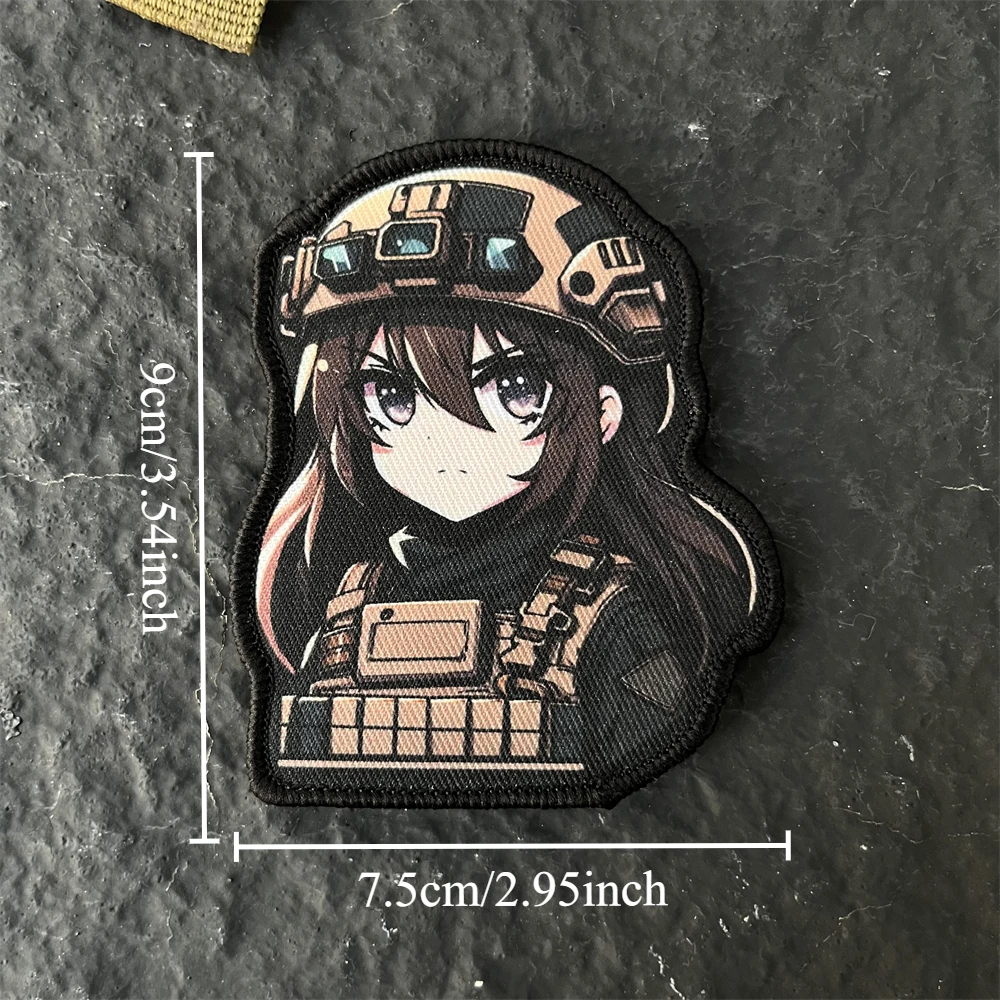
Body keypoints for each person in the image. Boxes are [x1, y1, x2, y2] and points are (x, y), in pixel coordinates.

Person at [253, 165, 762, 787]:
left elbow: (655, 720)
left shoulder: (612, 613)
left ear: (604, 412)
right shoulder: (349, 605)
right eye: (390, 395)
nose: (439, 440)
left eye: (513, 386)